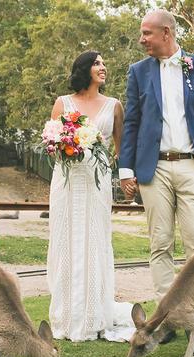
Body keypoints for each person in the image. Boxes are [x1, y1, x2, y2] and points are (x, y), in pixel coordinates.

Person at [118, 10, 194, 344]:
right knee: (160, 244)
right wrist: (126, 169)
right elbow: (132, 123)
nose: (142, 39)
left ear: (166, 33)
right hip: (154, 169)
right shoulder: (138, 72)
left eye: (146, 33)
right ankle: (165, 321)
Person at [47, 50, 134, 342]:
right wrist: (64, 143)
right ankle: (65, 317)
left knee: (95, 243)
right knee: (66, 243)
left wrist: (126, 178)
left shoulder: (114, 106)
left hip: (97, 184)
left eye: (104, 63)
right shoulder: (63, 103)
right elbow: (52, 143)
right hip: (67, 183)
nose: (103, 67)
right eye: (97, 63)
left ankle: (94, 315)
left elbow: (121, 151)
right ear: (83, 69)